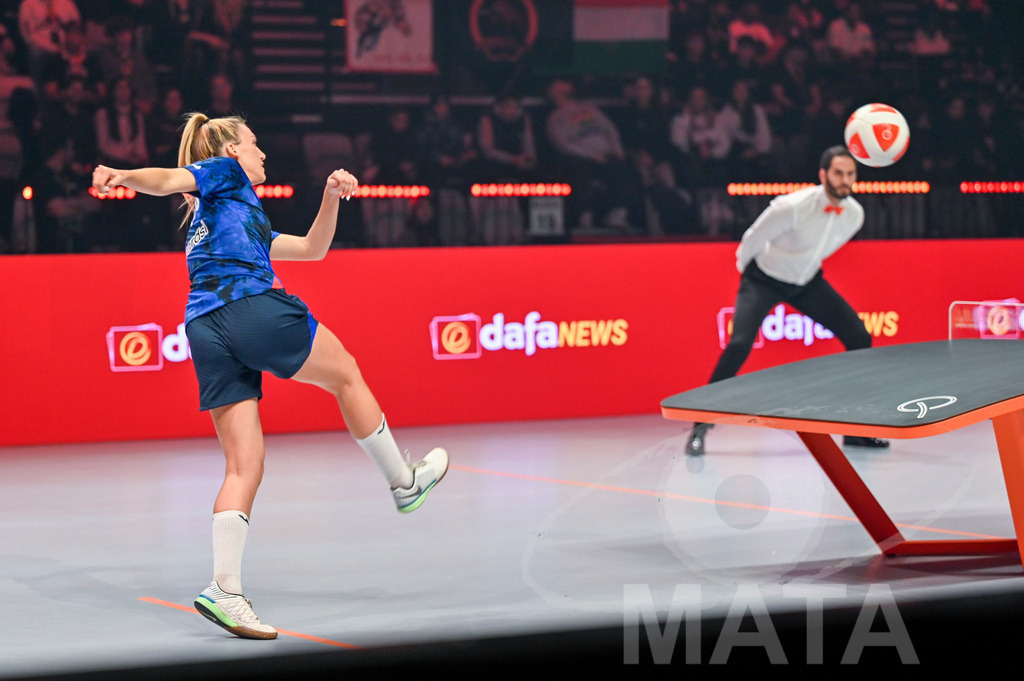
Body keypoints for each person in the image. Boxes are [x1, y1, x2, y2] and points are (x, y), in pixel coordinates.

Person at [91, 113, 449, 639]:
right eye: (255, 145)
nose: (263, 155)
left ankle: (224, 590)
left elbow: (312, 250)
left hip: (204, 328)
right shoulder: (226, 173)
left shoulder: (228, 216)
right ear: (233, 150)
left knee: (244, 466)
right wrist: (122, 175)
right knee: (347, 373)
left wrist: (331, 196)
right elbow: (169, 179)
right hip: (249, 307)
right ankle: (403, 482)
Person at [685, 145, 887, 456]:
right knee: (739, 344)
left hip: (807, 283)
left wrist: (802, 271)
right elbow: (751, 240)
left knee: (859, 337)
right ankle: (698, 428)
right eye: (838, 173)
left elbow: (820, 251)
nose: (845, 180)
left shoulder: (854, 215)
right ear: (823, 175)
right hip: (763, 280)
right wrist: (750, 275)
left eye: (850, 174)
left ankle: (856, 431)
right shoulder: (791, 207)